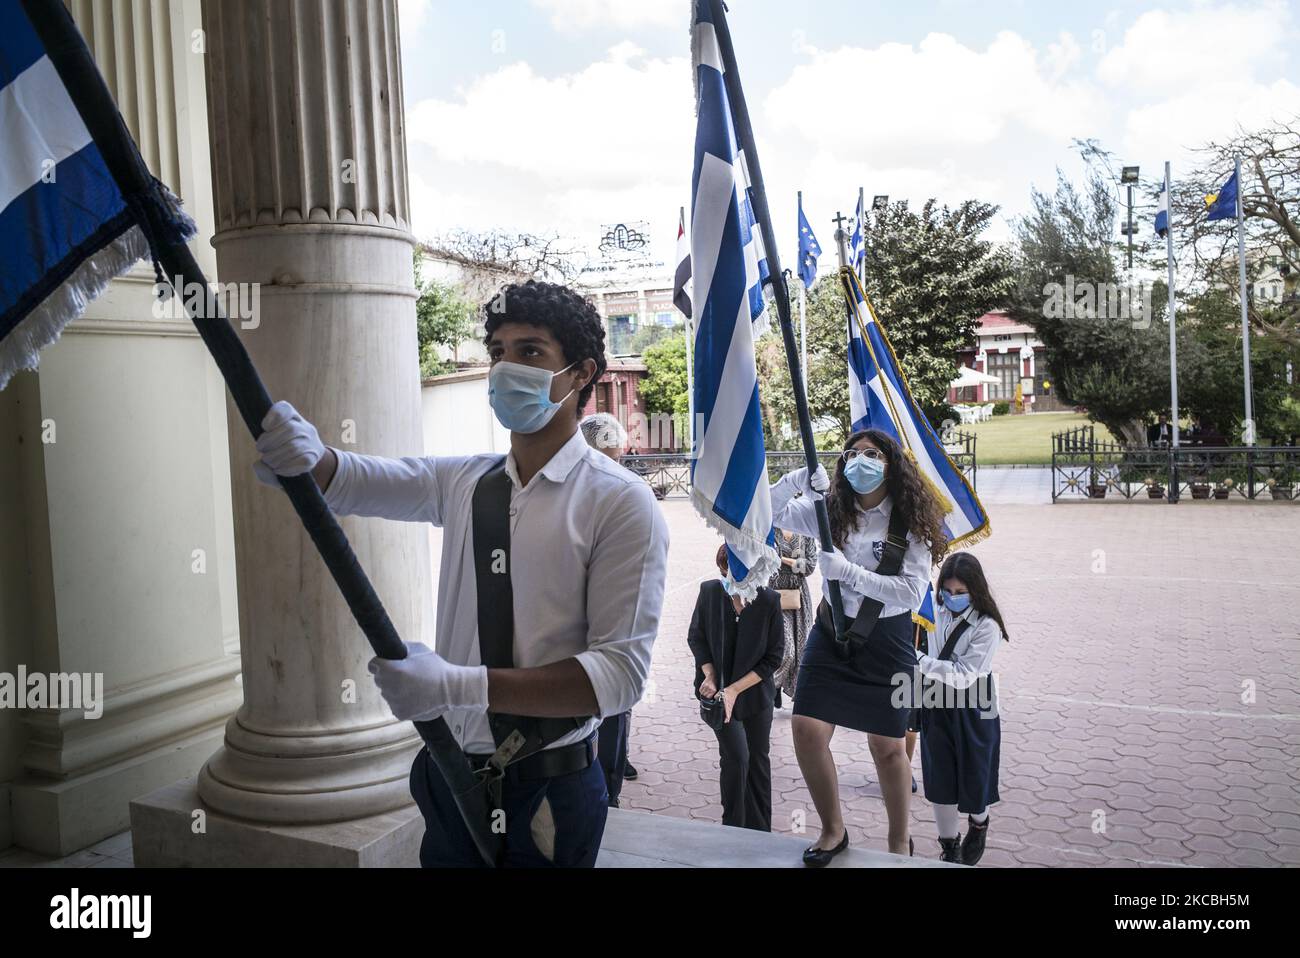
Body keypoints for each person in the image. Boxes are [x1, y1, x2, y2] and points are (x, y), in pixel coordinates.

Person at [253, 280, 669, 868]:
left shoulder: (619, 502)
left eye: (530, 352)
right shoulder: (466, 482)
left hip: (548, 790)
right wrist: (305, 458)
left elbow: (619, 676)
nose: (505, 369)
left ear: (581, 375)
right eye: (497, 352)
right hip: (448, 775)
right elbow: (349, 479)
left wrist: (456, 686)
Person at [770, 430, 945, 864]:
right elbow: (763, 514)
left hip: (886, 641)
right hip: (831, 635)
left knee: (887, 748)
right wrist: (795, 480)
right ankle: (833, 830)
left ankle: (898, 840)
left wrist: (848, 572)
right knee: (806, 729)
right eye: (853, 454)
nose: (860, 461)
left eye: (872, 454)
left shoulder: (911, 519)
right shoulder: (831, 509)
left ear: (891, 464)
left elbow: (910, 592)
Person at [916, 552, 1008, 865]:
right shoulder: (931, 608)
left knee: (975, 777)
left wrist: (921, 663)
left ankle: (979, 823)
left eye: (960, 593)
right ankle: (949, 848)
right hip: (935, 704)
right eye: (947, 591)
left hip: (974, 708)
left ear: (975, 590)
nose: (951, 598)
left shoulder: (987, 626)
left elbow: (964, 675)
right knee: (940, 778)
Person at [687, 544, 785, 831]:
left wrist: (735, 690)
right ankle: (732, 828)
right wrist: (710, 676)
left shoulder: (768, 600)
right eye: (729, 570)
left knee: (757, 761)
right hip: (718, 695)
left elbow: (773, 658)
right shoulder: (710, 593)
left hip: (755, 695)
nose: (734, 578)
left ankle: (760, 833)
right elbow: (697, 638)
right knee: (736, 758)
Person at [579, 411, 640, 804]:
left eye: (619, 459)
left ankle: (610, 789)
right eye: (609, 458)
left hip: (617, 624)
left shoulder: (626, 495)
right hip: (572, 629)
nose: (616, 467)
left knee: (617, 710)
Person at [767, 527, 816, 710]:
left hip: (799, 597)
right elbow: (765, 559)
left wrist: (782, 560)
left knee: (802, 650)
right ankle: (771, 687)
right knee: (787, 649)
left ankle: (792, 694)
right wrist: (795, 563)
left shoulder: (805, 532)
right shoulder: (771, 530)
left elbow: (810, 566)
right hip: (775, 593)